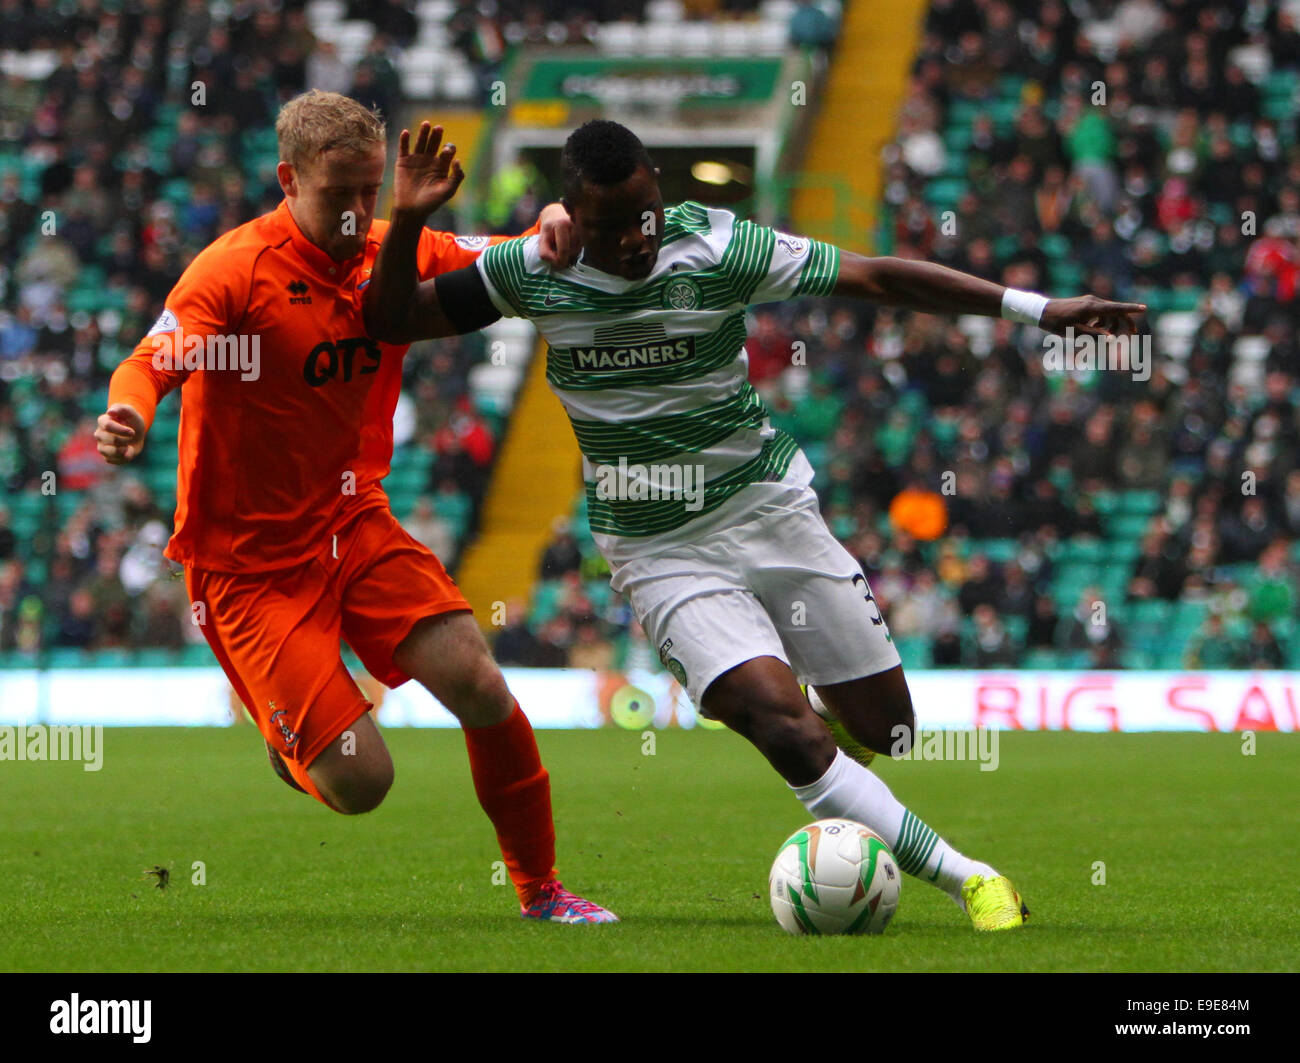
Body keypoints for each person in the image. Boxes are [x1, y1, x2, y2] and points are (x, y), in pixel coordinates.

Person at [366, 119, 1145, 931]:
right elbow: (392, 321)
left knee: (893, 730)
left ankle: (810, 725)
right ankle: (972, 879)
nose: (636, 239)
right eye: (610, 225)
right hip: (658, 547)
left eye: (647, 215)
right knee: (786, 728)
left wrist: (1040, 308)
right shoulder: (532, 271)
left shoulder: (716, 248)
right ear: (567, 214)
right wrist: (412, 217)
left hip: (768, 507)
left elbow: (874, 277)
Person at [93, 92, 614, 925]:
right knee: (364, 783)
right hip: (248, 569)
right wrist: (129, 417)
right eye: (339, 193)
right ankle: (285, 737)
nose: (358, 212)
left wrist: (550, 220)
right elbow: (150, 362)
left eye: (370, 191)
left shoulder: (387, 248)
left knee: (478, 680)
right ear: (286, 179)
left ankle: (542, 893)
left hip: (350, 520)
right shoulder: (234, 271)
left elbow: (498, 252)